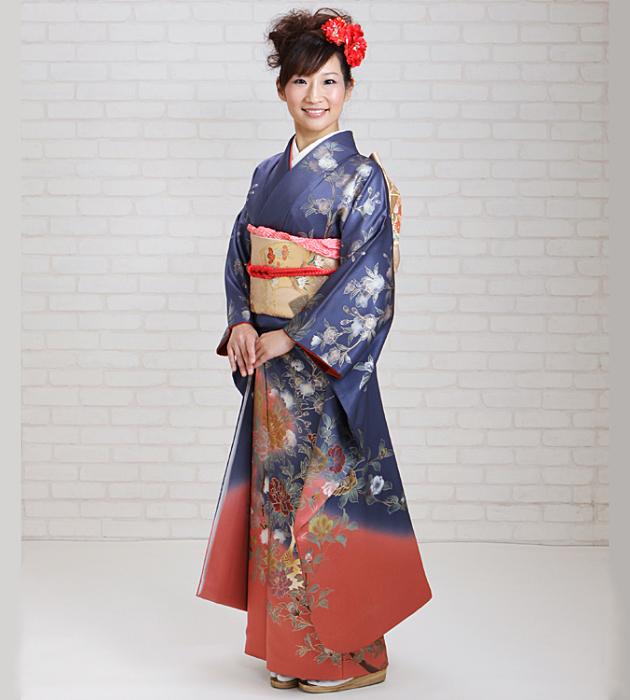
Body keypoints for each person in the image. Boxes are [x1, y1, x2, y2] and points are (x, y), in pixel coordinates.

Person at [197, 8, 432, 693]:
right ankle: (292, 652)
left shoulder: (361, 179)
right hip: (272, 373)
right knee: (277, 504)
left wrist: (291, 336)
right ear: (282, 91)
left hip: (324, 372)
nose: (315, 95)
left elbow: (370, 281)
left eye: (329, 81)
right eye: (301, 81)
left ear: (348, 89)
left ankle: (351, 657)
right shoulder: (265, 173)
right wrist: (243, 321)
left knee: (324, 505)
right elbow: (240, 257)